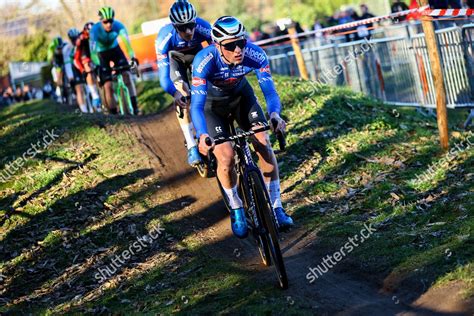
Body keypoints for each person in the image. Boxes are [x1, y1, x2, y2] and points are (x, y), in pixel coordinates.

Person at [190, 16, 294, 238]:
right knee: (226, 157)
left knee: (264, 143)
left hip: (241, 98)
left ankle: (276, 207)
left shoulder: (255, 54)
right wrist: (201, 135)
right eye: (230, 45)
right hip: (212, 107)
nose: (238, 50)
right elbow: (197, 106)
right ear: (217, 46)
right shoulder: (203, 61)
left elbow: (270, 92)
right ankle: (237, 208)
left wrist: (274, 114)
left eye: (242, 42)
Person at [155, 0, 212, 166]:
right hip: (175, 60)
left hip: (197, 56)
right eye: (182, 27)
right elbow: (164, 78)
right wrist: (175, 93)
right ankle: (192, 145)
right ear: (174, 26)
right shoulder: (164, 38)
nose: (188, 31)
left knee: (210, 86)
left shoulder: (204, 27)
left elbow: (218, 55)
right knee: (184, 94)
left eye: (191, 25)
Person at [90, 6, 139, 115]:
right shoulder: (94, 31)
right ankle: (114, 115)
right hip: (101, 54)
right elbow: (92, 52)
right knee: (107, 85)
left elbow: (128, 45)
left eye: (110, 21)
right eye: (105, 22)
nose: (108, 24)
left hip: (115, 50)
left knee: (127, 75)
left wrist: (133, 58)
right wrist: (97, 65)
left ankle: (135, 107)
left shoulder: (119, 26)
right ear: (101, 21)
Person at [74, 22, 102, 112]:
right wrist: (82, 70)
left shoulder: (97, 34)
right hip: (85, 56)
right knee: (88, 67)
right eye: (88, 32)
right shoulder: (81, 38)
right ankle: (94, 95)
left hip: (95, 54)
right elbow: (76, 59)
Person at [66, 28, 89, 113]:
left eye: (76, 37)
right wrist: (70, 76)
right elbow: (67, 63)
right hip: (74, 68)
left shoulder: (82, 42)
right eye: (73, 39)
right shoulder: (67, 49)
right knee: (79, 89)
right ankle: (84, 110)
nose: (75, 40)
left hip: (83, 64)